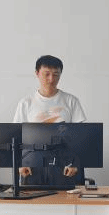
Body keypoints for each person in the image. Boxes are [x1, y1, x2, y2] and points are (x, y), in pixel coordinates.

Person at [13, 55, 86, 186]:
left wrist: (75, 163)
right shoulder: (26, 103)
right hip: (33, 162)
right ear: (37, 73)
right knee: (33, 197)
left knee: (66, 197)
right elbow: (17, 136)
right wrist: (20, 163)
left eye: (56, 74)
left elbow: (80, 136)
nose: (51, 79)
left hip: (64, 162)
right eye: (46, 74)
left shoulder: (71, 101)